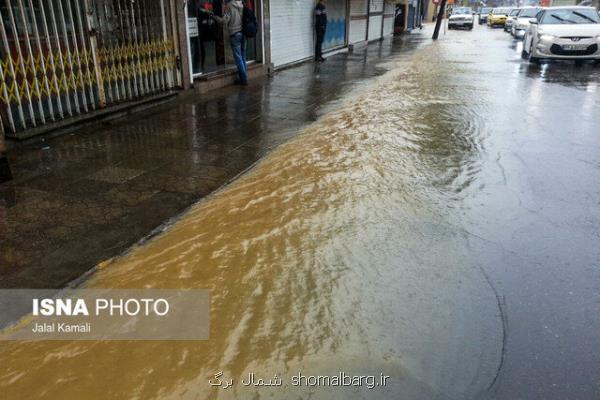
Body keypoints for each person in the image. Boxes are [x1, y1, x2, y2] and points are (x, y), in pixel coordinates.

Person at [212, 0, 248, 85]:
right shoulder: (242, 4)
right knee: (243, 57)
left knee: (238, 58)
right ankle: (243, 77)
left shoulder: (230, 5)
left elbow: (224, 21)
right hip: (244, 33)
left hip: (235, 34)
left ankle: (244, 79)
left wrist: (215, 17)